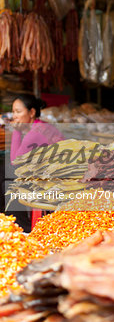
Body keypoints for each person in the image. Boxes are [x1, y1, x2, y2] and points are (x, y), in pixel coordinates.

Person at [6, 94, 64, 231]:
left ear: (31, 112)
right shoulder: (40, 126)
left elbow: (15, 161)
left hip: (57, 178)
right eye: (13, 112)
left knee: (9, 176)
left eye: (18, 111)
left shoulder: (35, 132)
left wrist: (16, 131)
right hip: (53, 173)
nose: (15, 116)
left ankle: (20, 225)